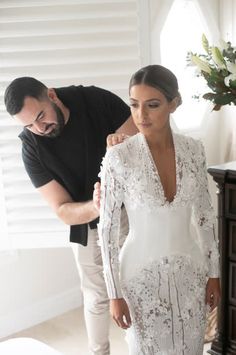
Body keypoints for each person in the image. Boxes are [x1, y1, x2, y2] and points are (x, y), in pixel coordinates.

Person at [4, 77, 138, 355]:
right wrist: (96, 206)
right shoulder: (31, 147)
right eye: (29, 125)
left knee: (138, 286)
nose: (39, 129)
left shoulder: (96, 101)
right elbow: (63, 209)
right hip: (85, 220)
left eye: (40, 116)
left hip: (132, 211)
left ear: (51, 95)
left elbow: (140, 141)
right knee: (96, 296)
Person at [96, 64, 221, 354]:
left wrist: (213, 273)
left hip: (190, 270)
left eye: (152, 105)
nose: (141, 115)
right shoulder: (120, 157)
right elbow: (107, 231)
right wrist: (114, 295)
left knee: (190, 346)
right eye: (134, 105)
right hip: (140, 275)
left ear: (174, 103)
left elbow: (204, 215)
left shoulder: (194, 150)